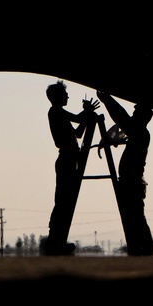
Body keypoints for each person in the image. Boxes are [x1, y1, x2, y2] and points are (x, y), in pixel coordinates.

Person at [96, 89, 153, 256]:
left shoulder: (140, 133)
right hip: (130, 181)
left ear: (143, 116)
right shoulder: (139, 133)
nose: (133, 114)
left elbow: (121, 118)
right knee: (134, 217)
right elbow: (124, 121)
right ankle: (141, 248)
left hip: (132, 183)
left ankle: (143, 248)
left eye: (136, 112)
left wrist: (107, 100)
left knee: (135, 217)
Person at [45, 81, 99, 255]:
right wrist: (88, 112)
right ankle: (55, 241)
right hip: (66, 160)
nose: (68, 96)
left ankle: (57, 241)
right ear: (58, 97)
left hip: (68, 160)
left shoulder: (59, 114)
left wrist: (87, 115)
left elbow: (78, 132)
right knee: (62, 202)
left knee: (64, 202)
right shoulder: (56, 112)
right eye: (65, 94)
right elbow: (77, 118)